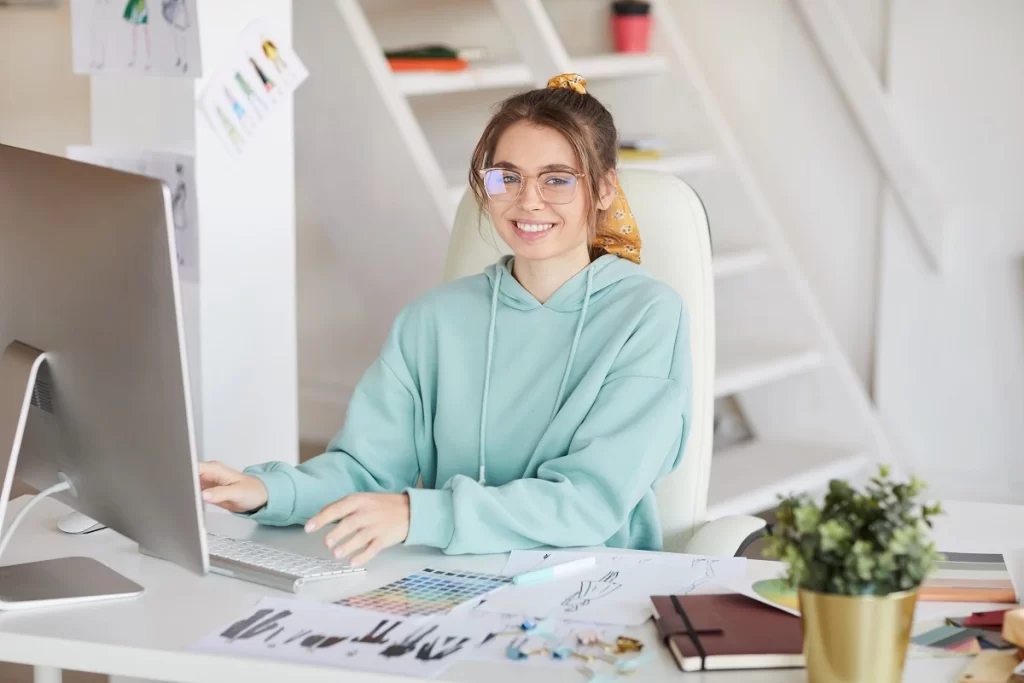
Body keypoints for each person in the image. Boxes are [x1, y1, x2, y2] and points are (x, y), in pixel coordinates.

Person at [199, 73, 692, 567]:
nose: (528, 201)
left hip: (594, 584)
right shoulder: (432, 320)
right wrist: (267, 490)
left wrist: (419, 516)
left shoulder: (646, 316)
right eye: (508, 177)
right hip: (450, 577)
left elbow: (590, 501)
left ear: (605, 190)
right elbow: (365, 469)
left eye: (557, 178)